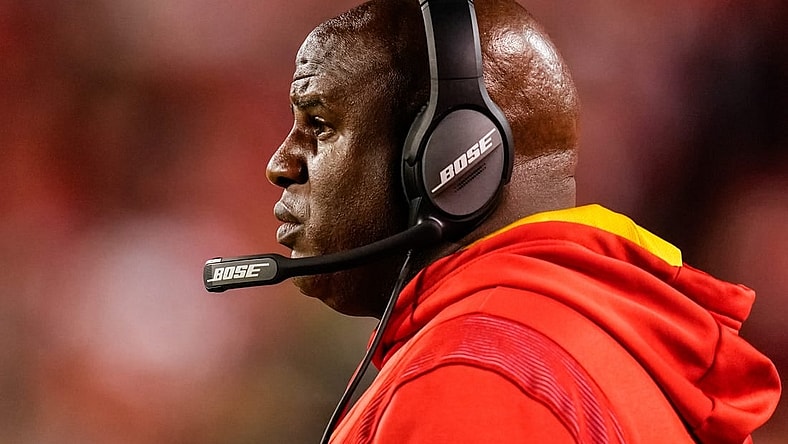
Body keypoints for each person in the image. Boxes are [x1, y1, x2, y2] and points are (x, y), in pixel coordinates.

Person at [265, 0, 781, 442]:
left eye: (319, 124)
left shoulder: (471, 380)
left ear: (449, 152)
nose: (280, 164)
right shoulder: (593, 342)